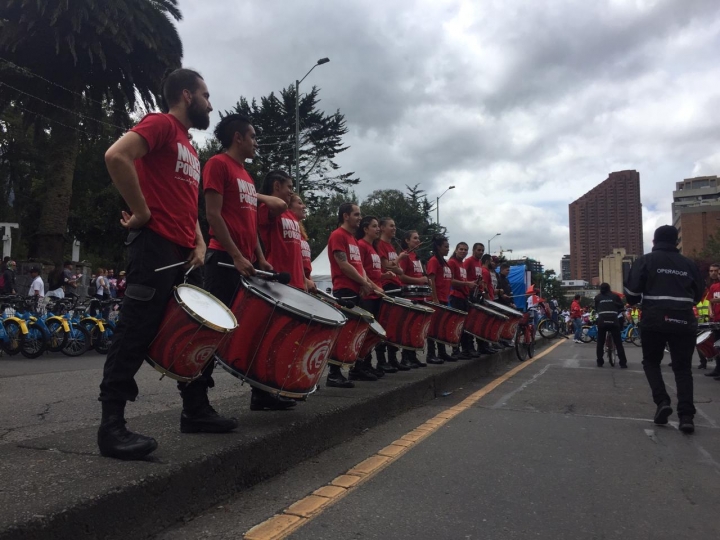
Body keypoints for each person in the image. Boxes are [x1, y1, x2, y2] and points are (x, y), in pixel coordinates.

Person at [98, 68, 229, 461]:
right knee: (135, 330)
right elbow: (116, 156)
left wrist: (200, 241)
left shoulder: (189, 146)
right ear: (187, 95)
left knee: (192, 331)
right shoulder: (161, 125)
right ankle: (111, 427)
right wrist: (140, 212)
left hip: (184, 253)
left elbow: (186, 202)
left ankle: (195, 409)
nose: (210, 102)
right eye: (206, 94)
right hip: (153, 248)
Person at [203, 113, 293, 412]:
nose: (256, 143)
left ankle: (261, 393)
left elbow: (250, 222)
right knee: (213, 329)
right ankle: (197, 405)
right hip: (223, 261)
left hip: (246, 263)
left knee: (258, 328)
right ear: (237, 138)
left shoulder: (246, 175)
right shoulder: (217, 164)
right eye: (253, 136)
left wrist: (260, 257)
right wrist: (237, 255)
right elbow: (213, 215)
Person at [624, 225, 704, 433]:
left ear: (654, 242)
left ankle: (662, 402)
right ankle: (686, 416)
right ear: (677, 242)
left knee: (651, 362)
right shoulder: (689, 264)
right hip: (683, 320)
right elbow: (698, 294)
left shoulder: (645, 261)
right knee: (683, 368)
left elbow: (631, 293)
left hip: (654, 319)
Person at [326, 203, 383, 387]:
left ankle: (355, 368)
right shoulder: (338, 235)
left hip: (356, 289)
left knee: (356, 332)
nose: (360, 217)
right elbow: (343, 265)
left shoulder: (351, 238)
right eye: (356, 214)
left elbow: (359, 266)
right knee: (344, 332)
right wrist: (364, 283)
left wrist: (367, 284)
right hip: (344, 289)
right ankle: (333, 374)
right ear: (345, 216)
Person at [355, 215, 394, 377]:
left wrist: (384, 277)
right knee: (366, 333)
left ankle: (369, 365)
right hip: (367, 296)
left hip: (376, 294)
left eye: (378, 226)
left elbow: (373, 271)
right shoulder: (361, 245)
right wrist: (374, 286)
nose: (378, 229)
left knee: (374, 333)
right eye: (374, 226)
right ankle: (359, 367)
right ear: (365, 229)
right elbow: (361, 271)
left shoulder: (373, 248)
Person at [258, 170, 305, 290]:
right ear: (277, 186)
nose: (291, 192)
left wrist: (304, 280)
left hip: (297, 283)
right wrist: (253, 194)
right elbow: (281, 205)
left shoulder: (291, 215)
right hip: (277, 281)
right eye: (289, 187)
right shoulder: (265, 209)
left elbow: (297, 254)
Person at [375, 217, 407, 369]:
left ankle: (393, 358)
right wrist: (399, 260)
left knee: (395, 324)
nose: (394, 229)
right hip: (387, 287)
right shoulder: (380, 245)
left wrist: (396, 266)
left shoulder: (391, 247)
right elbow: (386, 266)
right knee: (385, 323)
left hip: (396, 286)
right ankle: (382, 360)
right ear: (382, 228)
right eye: (391, 226)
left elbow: (399, 270)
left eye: (395, 226)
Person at [448, 242, 483, 357]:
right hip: (456, 297)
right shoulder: (452, 262)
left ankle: (467, 348)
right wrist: (467, 283)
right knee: (458, 325)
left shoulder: (462, 263)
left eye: (465, 249)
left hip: (464, 297)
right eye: (461, 249)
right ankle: (456, 350)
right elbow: (450, 280)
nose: (463, 251)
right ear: (456, 250)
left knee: (466, 325)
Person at [425, 235, 455, 364]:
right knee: (433, 328)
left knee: (441, 327)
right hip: (435, 299)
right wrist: (435, 298)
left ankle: (442, 352)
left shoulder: (443, 261)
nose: (448, 249)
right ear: (438, 247)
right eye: (445, 247)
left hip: (444, 298)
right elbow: (431, 280)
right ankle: (431, 354)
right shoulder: (434, 261)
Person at [594, 283, 628, 368]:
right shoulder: (615, 296)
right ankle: (623, 363)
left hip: (602, 321)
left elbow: (596, 308)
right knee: (618, 343)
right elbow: (621, 307)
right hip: (613, 321)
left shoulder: (598, 297)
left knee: (600, 342)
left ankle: (599, 362)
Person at [289, 194, 317, 294]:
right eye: (300, 203)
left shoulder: (301, 234)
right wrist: (304, 280)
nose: (304, 206)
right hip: (293, 284)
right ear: (289, 206)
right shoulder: (290, 232)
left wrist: (309, 280)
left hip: (303, 285)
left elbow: (305, 265)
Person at [702, 263, 720, 375]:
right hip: (716, 320)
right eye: (711, 271)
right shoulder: (712, 286)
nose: (714, 273)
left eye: (716, 271)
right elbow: (710, 301)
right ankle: (718, 369)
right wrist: (710, 311)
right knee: (716, 345)